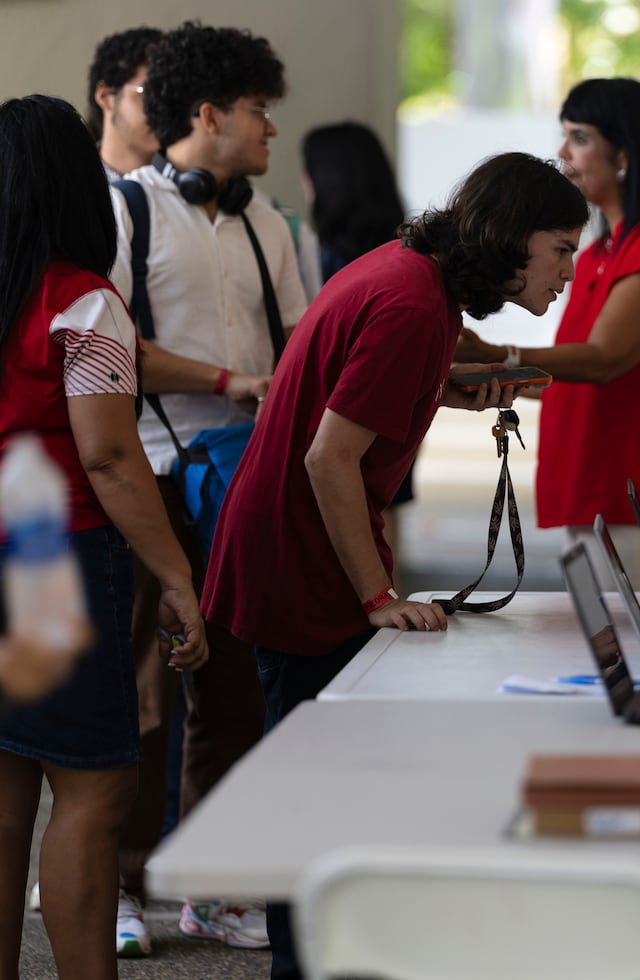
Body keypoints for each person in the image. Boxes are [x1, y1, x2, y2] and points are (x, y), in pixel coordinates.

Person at [201, 150, 589, 979]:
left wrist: (462, 385)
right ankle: (304, 963)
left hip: (295, 546)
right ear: (513, 235)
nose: (568, 271)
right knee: (316, 780)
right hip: (300, 557)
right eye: (561, 247)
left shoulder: (416, 279)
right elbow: (329, 459)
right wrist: (377, 594)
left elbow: (369, 388)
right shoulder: (414, 302)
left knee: (329, 771)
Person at [107, 20, 308, 954]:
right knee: (142, 693)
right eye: (259, 111)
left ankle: (213, 882)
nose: (271, 130)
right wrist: (231, 382)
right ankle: (120, 882)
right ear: (207, 113)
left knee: (231, 687)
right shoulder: (127, 212)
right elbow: (109, 347)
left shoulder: (269, 222)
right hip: (144, 472)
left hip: (239, 483)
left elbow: (300, 348)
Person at [0, 94, 206, 980]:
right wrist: (175, 575)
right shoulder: (82, 302)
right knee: (93, 787)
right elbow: (114, 459)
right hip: (54, 563)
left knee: (5, 798)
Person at [454, 77, 640, 591]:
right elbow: (565, 376)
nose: (562, 152)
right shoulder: (598, 252)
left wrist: (498, 354)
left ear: (623, 151)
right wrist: (481, 374)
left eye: (579, 137)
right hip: (592, 492)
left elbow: (603, 360)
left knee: (634, 656)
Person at [301, 121, 415, 580]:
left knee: (352, 573)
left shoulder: (327, 260)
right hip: (391, 435)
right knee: (385, 545)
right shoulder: (406, 254)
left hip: (340, 434)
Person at [87, 27, 163, 180]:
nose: (163, 108)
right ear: (106, 96)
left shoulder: (187, 185)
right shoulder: (77, 186)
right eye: (150, 93)